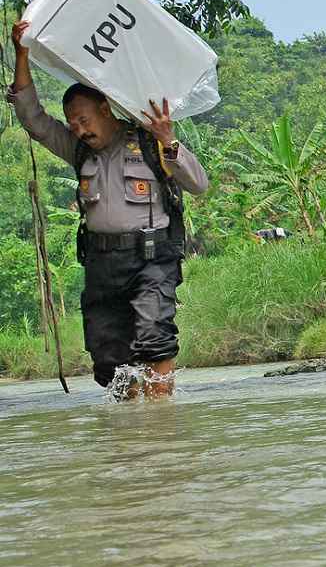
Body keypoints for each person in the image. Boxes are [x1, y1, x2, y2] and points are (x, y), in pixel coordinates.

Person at [8, 21, 209, 398]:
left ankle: (162, 423)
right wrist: (22, 55)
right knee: (108, 360)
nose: (78, 129)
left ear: (105, 108)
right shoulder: (78, 150)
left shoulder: (150, 143)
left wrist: (168, 140)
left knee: (155, 339)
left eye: (84, 120)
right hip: (102, 267)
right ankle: (129, 431)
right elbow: (33, 119)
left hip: (153, 261)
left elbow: (198, 183)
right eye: (72, 123)